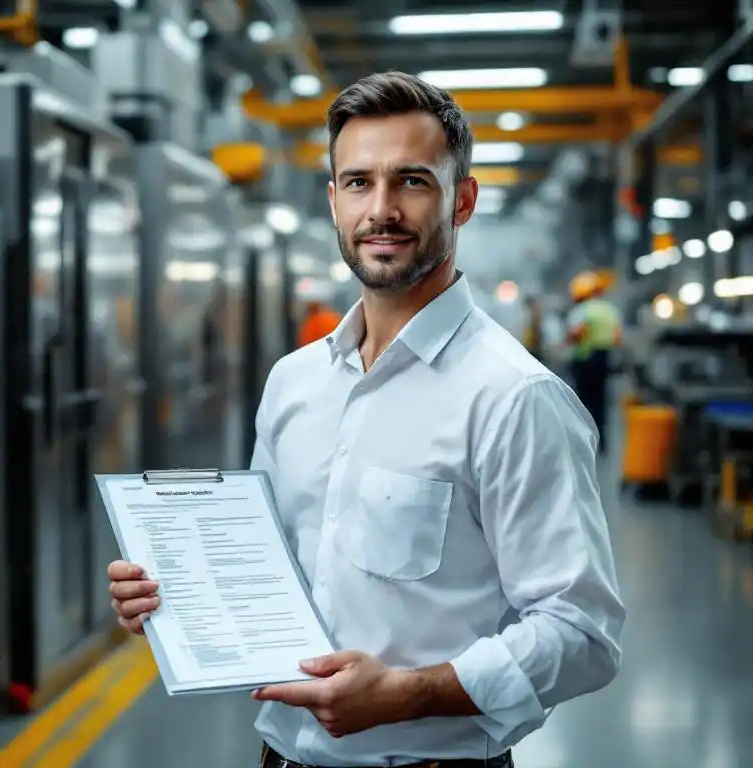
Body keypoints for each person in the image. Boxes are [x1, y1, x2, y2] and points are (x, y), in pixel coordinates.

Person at [108, 71, 625, 768]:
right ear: (333, 200)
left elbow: (582, 632)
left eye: (412, 181)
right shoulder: (294, 382)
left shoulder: (512, 397)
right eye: (358, 182)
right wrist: (175, 595)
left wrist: (411, 694)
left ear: (462, 200)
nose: (381, 209)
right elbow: (275, 571)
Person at [565, 271, 623, 454]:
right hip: (603, 361)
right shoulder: (610, 310)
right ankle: (602, 443)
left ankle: (584, 441)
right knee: (601, 403)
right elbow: (617, 338)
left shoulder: (582, 311)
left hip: (584, 361)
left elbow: (574, 335)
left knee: (582, 403)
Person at [521, 296, 544, 364]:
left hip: (533, 347)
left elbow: (537, 332)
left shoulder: (535, 315)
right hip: (530, 346)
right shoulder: (530, 315)